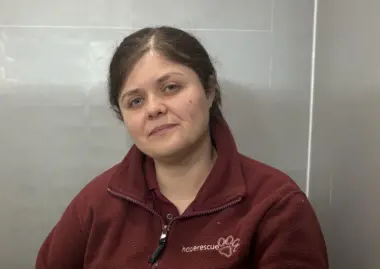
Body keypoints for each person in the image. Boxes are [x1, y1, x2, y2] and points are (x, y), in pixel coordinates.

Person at [35, 26, 329, 269]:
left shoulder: (275, 205)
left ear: (209, 90)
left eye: (171, 88)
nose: (154, 108)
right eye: (135, 101)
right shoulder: (95, 204)